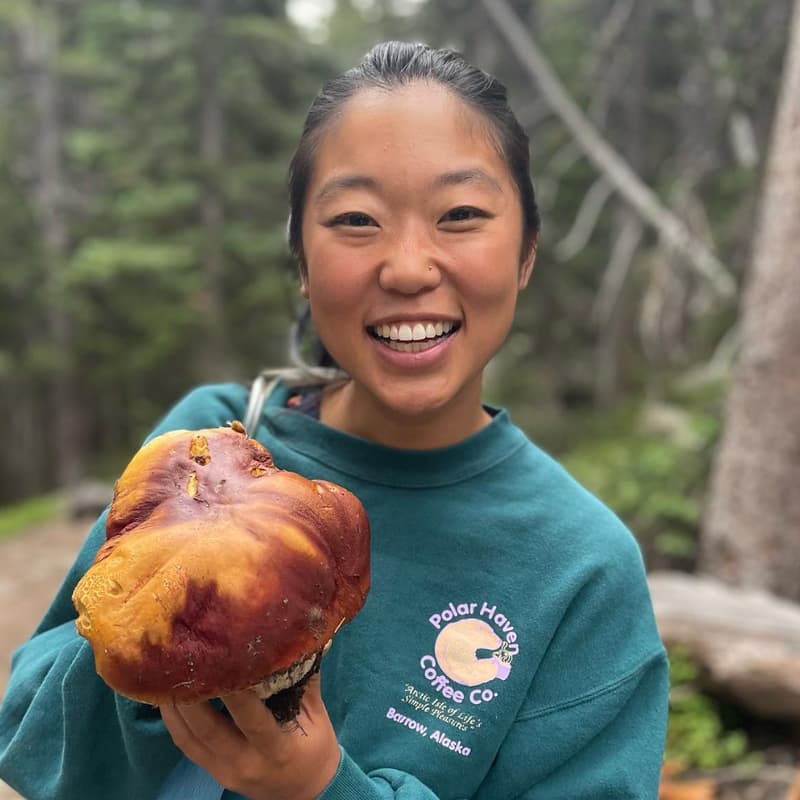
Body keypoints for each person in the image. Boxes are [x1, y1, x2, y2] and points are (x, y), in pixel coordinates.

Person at [0, 41, 669, 800]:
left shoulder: (577, 569)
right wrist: (173, 644)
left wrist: (322, 788)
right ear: (302, 262)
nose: (410, 268)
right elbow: (29, 732)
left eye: (461, 215)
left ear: (525, 254)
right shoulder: (212, 448)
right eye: (356, 219)